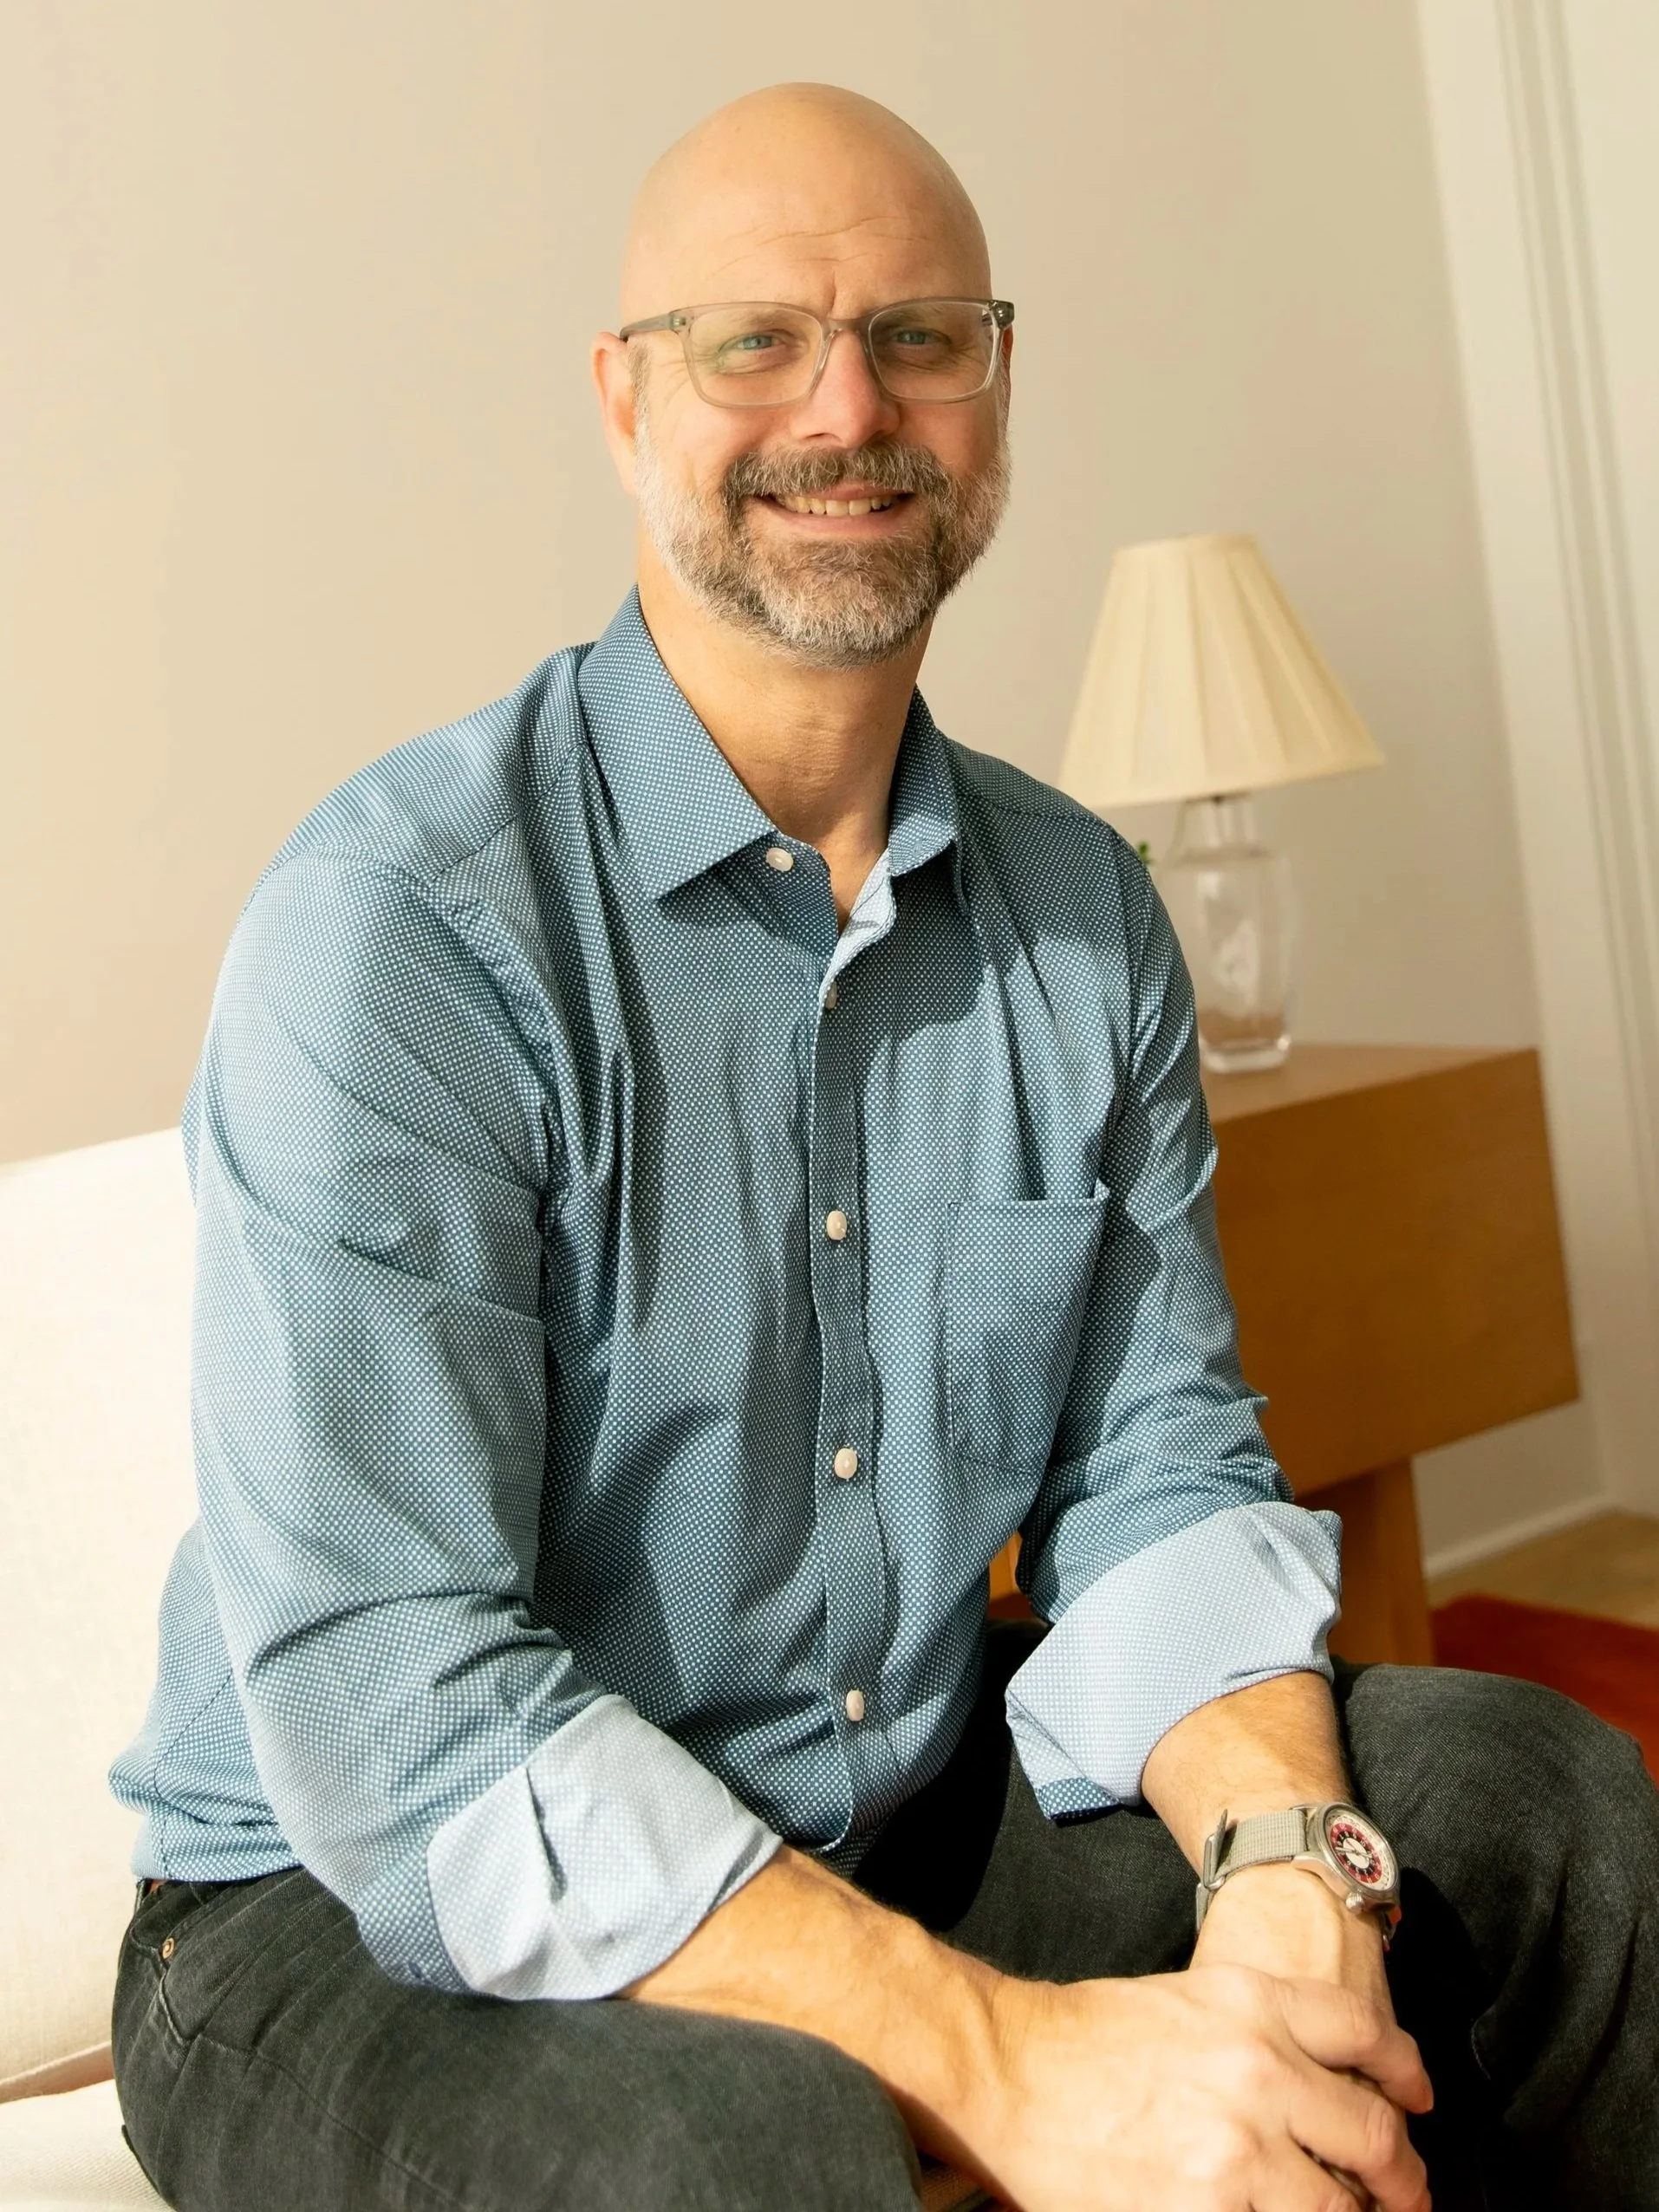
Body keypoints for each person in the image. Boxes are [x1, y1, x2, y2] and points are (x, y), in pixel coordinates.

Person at [109, 81, 1657, 2212]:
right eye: (758, 339)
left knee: (1534, 1811)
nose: (851, 402)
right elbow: (403, 1701)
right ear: (626, 401)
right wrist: (1012, 2060)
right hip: (345, 1911)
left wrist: (1290, 1870)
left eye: (921, 334)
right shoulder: (401, 931)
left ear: (997, 387)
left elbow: (1160, 1483)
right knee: (745, 2140)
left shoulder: (1083, 914)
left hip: (888, 1800)